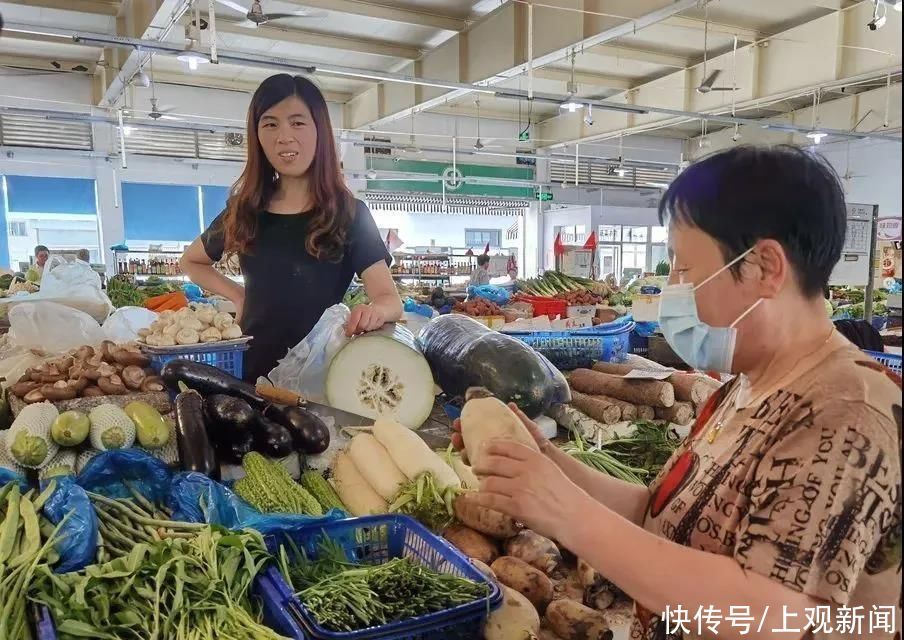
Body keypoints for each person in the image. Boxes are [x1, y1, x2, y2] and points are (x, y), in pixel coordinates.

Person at [456, 146, 901, 640]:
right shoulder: (745, 388)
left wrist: (568, 513)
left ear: (765, 267)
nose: (670, 288)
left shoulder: (845, 410)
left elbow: (776, 614)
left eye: (685, 269)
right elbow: (661, 515)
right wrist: (543, 460)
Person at [180, 74, 402, 383]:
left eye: (297, 123)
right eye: (270, 124)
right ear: (256, 135)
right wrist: (239, 296)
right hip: (251, 374)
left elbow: (389, 298)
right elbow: (190, 261)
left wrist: (374, 310)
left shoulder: (350, 214)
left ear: (319, 131)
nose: (284, 136)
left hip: (319, 376)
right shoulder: (245, 209)